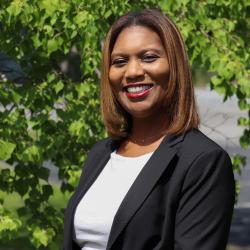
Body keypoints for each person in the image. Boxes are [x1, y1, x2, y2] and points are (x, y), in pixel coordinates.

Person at [63, 9, 235, 250]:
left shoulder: (203, 162)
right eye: (120, 62)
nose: (132, 72)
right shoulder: (100, 154)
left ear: (174, 65)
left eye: (149, 57)